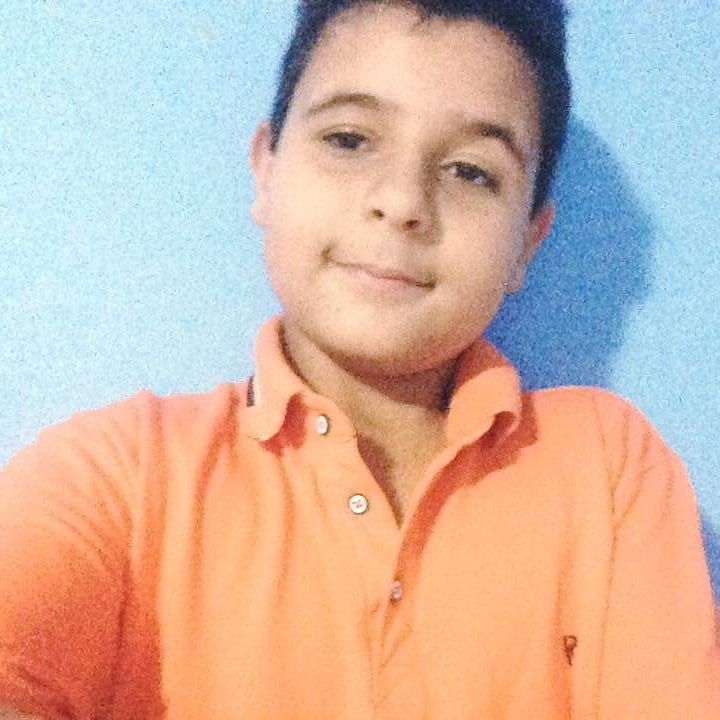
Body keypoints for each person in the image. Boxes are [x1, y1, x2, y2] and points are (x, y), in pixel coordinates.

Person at [1, 0, 718, 717]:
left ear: (527, 242)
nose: (402, 202)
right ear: (265, 171)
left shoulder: (605, 468)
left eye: (471, 172)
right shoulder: (122, 477)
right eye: (349, 139)